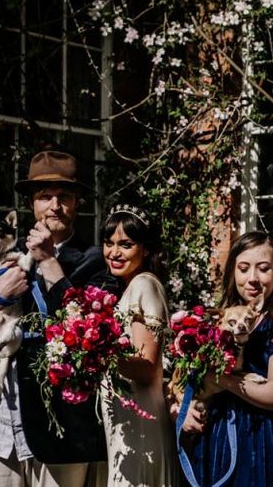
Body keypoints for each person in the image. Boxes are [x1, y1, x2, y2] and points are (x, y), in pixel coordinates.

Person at [0, 149, 113, 486]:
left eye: (64, 195)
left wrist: (50, 262)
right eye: (44, 196)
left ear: (76, 201)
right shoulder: (3, 253)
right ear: (32, 205)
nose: (54, 205)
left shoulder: (96, 262)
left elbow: (85, 334)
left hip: (59, 434)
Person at [182, 230, 273, 487]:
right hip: (217, 435)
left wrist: (222, 380)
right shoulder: (218, 320)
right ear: (233, 272)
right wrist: (183, 406)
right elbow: (193, 381)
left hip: (262, 440)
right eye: (243, 268)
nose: (252, 278)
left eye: (263, 269)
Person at [96, 204, 178, 487]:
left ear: (144, 249)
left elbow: (146, 368)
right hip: (125, 415)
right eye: (109, 243)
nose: (114, 253)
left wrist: (95, 354)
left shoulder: (144, 284)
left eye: (126, 244)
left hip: (141, 419)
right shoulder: (129, 287)